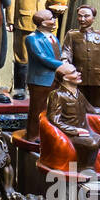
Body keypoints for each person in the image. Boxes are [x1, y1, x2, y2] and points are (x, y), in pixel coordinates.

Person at [44, 64, 100, 173]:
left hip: (87, 133)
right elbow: (54, 120)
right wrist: (75, 130)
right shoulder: (56, 95)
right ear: (65, 78)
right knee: (91, 144)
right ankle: (85, 170)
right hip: (72, 135)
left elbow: (94, 110)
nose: (79, 73)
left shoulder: (78, 93)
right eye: (74, 72)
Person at [25, 9, 67, 142]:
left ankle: (46, 134)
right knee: (37, 109)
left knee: (51, 108)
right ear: (42, 23)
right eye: (51, 18)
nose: (54, 20)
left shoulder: (53, 37)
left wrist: (63, 62)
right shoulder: (32, 38)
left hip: (54, 78)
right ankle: (33, 135)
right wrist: (61, 65)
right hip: (40, 79)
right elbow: (41, 57)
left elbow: (58, 54)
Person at [63, 5, 100, 107]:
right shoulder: (72, 35)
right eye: (80, 16)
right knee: (77, 107)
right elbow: (66, 52)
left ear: (93, 18)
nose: (82, 19)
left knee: (99, 108)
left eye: (86, 16)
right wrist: (65, 64)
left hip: (99, 80)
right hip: (78, 78)